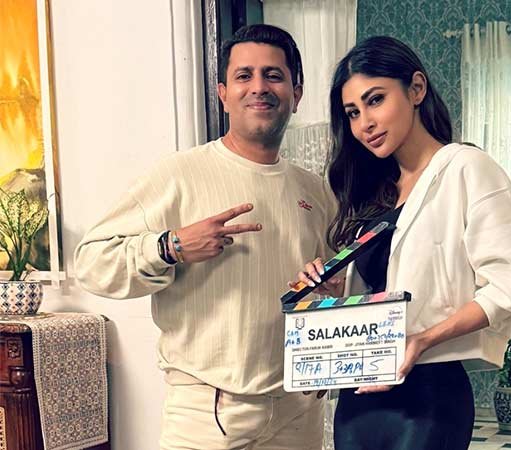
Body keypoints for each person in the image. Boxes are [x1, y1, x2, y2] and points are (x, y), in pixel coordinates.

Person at [75, 24, 335, 450]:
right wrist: (171, 246)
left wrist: (329, 316)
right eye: (244, 76)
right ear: (223, 93)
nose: (259, 87)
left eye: (273, 75)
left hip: (298, 411)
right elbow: (91, 263)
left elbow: (331, 288)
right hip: (207, 412)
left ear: (296, 93)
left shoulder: (315, 191)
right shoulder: (179, 174)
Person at [294, 36, 511, 450]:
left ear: (416, 89)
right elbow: (393, 288)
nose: (364, 124)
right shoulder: (376, 192)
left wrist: (424, 339)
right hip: (360, 401)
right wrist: (334, 288)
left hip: (430, 394)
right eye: (353, 113)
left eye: (375, 100)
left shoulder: (466, 168)